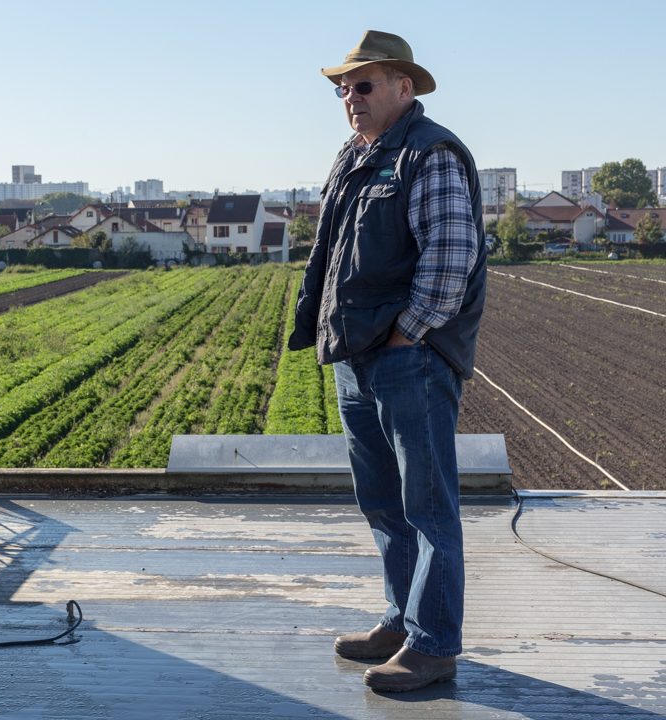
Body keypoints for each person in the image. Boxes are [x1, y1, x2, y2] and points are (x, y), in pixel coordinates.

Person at [288, 30, 487, 692]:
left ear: (404, 87)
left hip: (409, 359)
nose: (350, 97)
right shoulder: (356, 154)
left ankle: (433, 646)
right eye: (342, 87)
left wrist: (409, 333)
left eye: (363, 84)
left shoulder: (428, 155)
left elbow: (450, 255)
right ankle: (402, 622)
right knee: (385, 505)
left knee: (427, 507)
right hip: (357, 356)